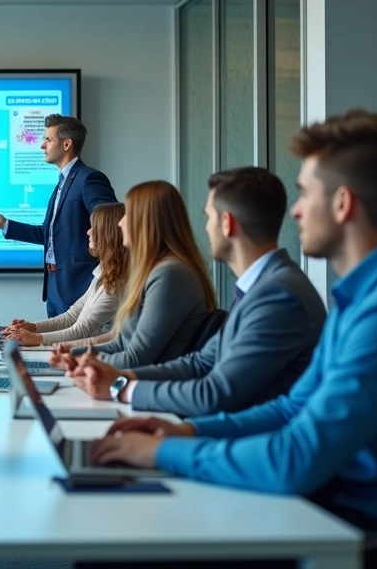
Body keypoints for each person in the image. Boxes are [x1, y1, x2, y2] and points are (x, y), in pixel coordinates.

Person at [93, 110, 377, 544]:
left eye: (304, 193)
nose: (294, 211)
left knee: (138, 536)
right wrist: (187, 431)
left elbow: (296, 459)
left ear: (342, 203)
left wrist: (165, 451)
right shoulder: (365, 298)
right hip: (334, 508)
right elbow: (291, 408)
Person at [64, 167, 325, 417]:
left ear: (227, 223)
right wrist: (120, 378)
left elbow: (216, 393)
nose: (206, 227)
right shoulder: (258, 288)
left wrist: (122, 388)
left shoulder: (277, 295)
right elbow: (200, 363)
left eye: (208, 217)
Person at [51, 180, 217, 368]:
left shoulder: (169, 274)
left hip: (148, 381)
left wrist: (79, 362)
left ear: (147, 223)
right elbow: (121, 343)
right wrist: (73, 353)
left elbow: (137, 358)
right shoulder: (154, 270)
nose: (120, 223)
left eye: (128, 215)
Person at [0, 114, 117, 317]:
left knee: (75, 339)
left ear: (67, 144)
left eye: (48, 139)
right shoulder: (62, 182)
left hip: (78, 284)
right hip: (53, 287)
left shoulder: (89, 178)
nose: (42, 145)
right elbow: (48, 234)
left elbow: (110, 221)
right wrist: (4, 224)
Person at [2, 203, 126, 347]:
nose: (88, 232)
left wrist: (37, 339)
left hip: (92, 355)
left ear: (109, 234)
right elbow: (71, 317)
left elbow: (83, 330)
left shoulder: (118, 282)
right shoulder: (102, 273)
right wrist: (32, 327)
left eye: (94, 228)